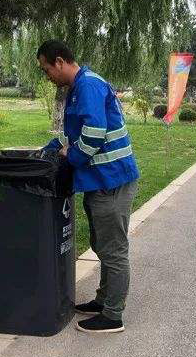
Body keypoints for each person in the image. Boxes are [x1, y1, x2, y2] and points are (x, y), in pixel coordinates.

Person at [38, 40, 139, 334]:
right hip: (101, 180)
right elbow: (81, 132)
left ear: (59, 61)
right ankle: (103, 300)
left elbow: (94, 134)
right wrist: (58, 145)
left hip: (111, 180)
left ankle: (113, 315)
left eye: (46, 69)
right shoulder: (80, 87)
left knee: (113, 249)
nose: (48, 76)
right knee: (103, 245)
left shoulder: (88, 86)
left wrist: (71, 156)